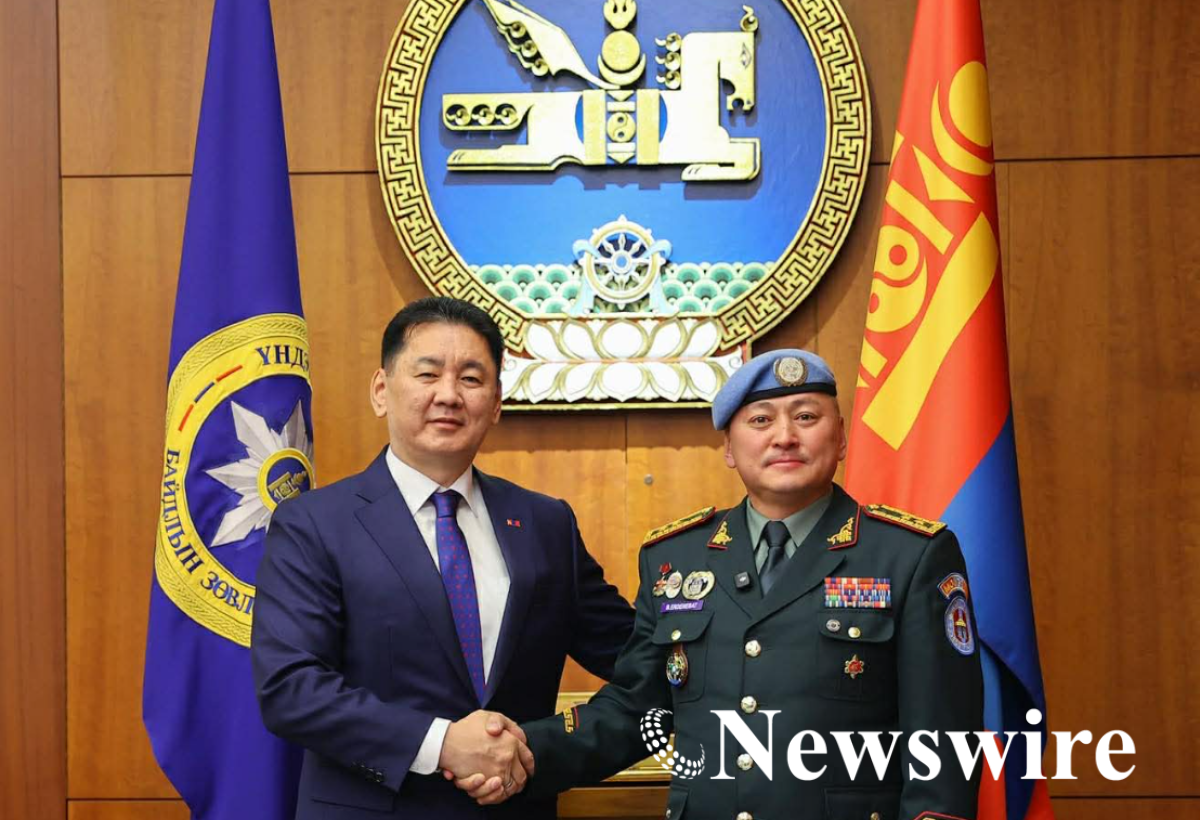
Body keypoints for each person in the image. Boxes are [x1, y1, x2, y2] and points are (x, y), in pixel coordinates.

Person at [456, 348, 984, 819]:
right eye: (760, 420)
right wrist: (525, 751)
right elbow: (639, 710)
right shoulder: (674, 559)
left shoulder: (910, 555)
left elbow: (944, 739)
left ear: (841, 436)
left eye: (806, 417)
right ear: (729, 447)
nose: (784, 436)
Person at [251, 296, 635, 819]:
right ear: (382, 391)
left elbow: (637, 658)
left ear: (496, 404)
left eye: (471, 379)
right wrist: (441, 743)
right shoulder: (314, 525)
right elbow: (291, 688)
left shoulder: (546, 524)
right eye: (427, 374)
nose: (449, 395)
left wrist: (547, 751)